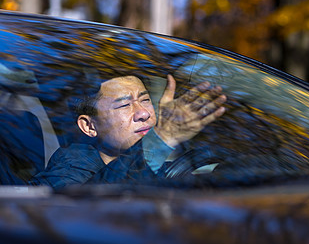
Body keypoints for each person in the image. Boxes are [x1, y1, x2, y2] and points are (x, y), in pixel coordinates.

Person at [30, 74, 226, 189]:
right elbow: (88, 215)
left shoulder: (164, 163)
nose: (143, 113)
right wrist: (162, 138)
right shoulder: (67, 171)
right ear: (89, 126)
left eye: (146, 100)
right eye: (124, 105)